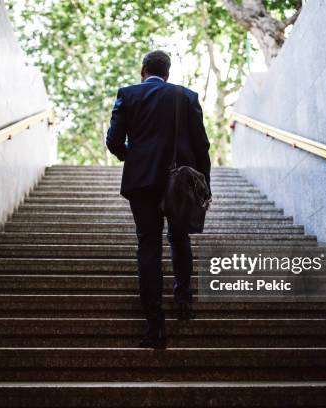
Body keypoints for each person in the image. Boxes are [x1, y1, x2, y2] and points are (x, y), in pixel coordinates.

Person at [106, 50, 212, 349]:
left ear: (143, 70)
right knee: (180, 238)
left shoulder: (128, 95)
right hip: (180, 182)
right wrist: (205, 187)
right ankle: (183, 300)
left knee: (148, 244)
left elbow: (114, 141)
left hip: (142, 182)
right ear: (167, 72)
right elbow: (201, 145)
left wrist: (134, 157)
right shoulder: (187, 97)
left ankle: (155, 324)